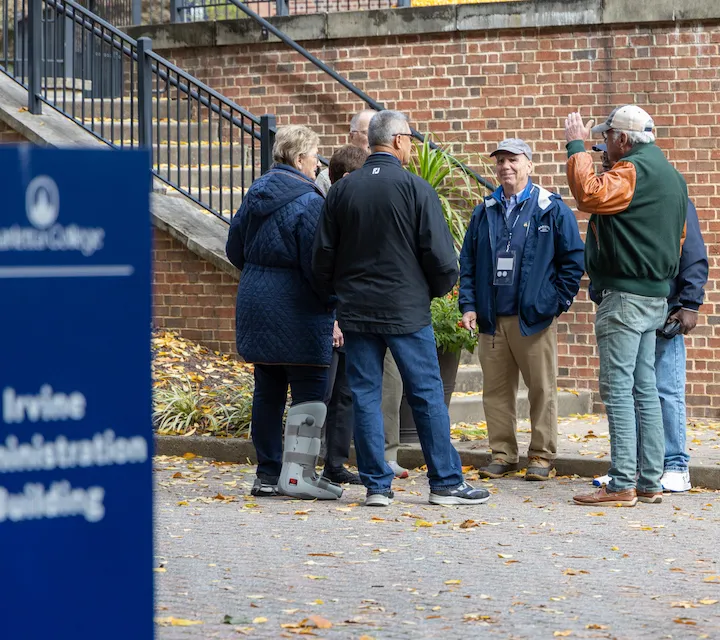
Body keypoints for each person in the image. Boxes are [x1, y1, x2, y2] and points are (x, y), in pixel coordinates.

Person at [312, 110, 489, 507]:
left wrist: (336, 299)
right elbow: (443, 259)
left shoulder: (341, 190)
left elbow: (322, 255)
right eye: (410, 138)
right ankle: (444, 483)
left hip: (357, 311)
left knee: (366, 395)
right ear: (397, 141)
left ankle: (377, 485)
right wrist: (433, 291)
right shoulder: (416, 188)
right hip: (406, 311)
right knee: (426, 394)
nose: (411, 146)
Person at [565, 106, 687, 507]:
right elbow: (681, 235)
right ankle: (650, 481)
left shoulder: (632, 171)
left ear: (624, 139)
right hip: (654, 295)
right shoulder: (673, 177)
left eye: (609, 138)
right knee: (645, 390)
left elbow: (589, 195)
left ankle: (621, 483)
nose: (606, 144)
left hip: (625, 296)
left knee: (618, 390)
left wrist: (577, 147)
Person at [459, 138, 584, 481]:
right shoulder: (484, 210)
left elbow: (573, 260)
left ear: (530, 164)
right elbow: (468, 261)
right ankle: (503, 453)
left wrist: (554, 303)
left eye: (512, 160)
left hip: (533, 319)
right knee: (496, 392)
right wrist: (469, 305)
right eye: (499, 161)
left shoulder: (550, 207)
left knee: (542, 389)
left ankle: (542, 456)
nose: (505, 167)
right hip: (492, 318)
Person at [588, 144, 708, 493]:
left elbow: (693, 251)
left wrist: (690, 302)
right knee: (642, 389)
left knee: (661, 389)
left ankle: (673, 464)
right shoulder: (615, 193)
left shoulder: (666, 192)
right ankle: (642, 470)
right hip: (636, 300)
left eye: (607, 147)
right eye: (600, 152)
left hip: (665, 307)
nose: (605, 156)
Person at [226, 124, 332, 498]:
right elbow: (316, 264)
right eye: (315, 156)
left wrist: (260, 274)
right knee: (309, 389)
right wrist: (331, 304)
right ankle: (298, 473)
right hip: (298, 306)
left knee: (267, 390)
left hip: (255, 297)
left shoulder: (255, 192)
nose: (318, 164)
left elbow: (233, 248)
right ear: (300, 158)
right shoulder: (310, 200)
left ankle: (267, 474)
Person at [318, 110, 409, 480]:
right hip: (356, 306)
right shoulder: (332, 188)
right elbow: (327, 257)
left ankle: (382, 458)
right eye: (363, 133)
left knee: (384, 384)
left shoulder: (401, 183)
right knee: (353, 389)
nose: (368, 139)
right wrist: (334, 310)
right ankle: (358, 464)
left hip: (388, 303)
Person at [321, 145, 369, 485]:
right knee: (322, 395)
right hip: (330, 316)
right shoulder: (325, 210)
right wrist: (332, 317)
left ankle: (335, 464)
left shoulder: (353, 210)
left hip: (350, 314)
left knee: (345, 395)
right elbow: (321, 269)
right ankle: (306, 463)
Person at [315, 109, 376, 196]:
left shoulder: (390, 172)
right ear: (352, 136)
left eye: (377, 133)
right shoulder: (327, 178)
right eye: (368, 133)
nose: (374, 138)